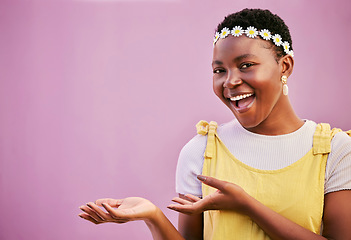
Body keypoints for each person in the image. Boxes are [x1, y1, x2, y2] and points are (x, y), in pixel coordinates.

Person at [79, 8, 351, 240]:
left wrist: (248, 206)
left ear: (285, 66)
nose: (230, 81)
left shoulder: (335, 151)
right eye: (219, 70)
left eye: (245, 65)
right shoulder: (200, 151)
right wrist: (152, 215)